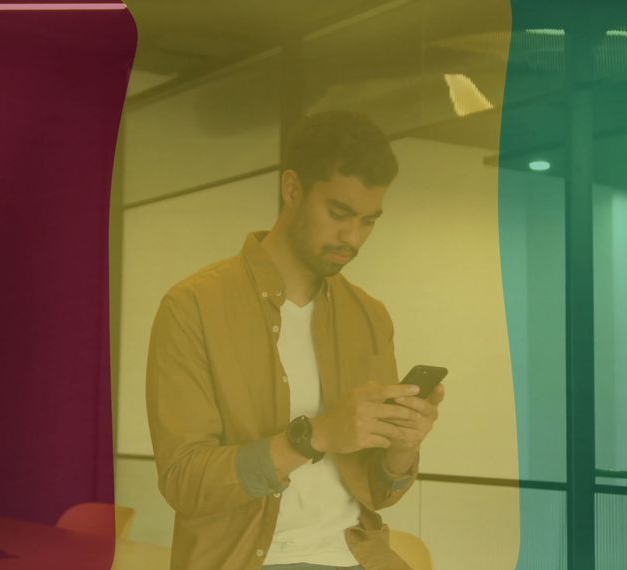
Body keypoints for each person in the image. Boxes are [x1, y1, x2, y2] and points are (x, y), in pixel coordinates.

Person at [146, 110, 445, 570]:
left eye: (369, 221)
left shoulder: (370, 316)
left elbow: (381, 493)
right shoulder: (193, 307)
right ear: (292, 189)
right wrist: (316, 434)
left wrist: (405, 443)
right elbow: (185, 482)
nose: (352, 238)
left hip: (358, 557)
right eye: (339, 213)